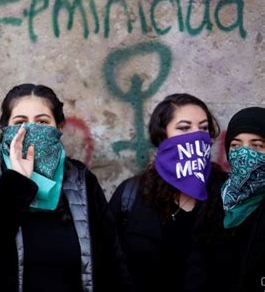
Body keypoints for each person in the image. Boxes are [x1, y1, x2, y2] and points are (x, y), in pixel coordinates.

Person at [0, 83, 133, 292]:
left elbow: (112, 264)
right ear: (5, 129)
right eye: (20, 122)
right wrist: (15, 182)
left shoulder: (81, 181)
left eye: (42, 122)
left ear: (59, 128)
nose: (31, 130)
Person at [109, 93, 227, 292]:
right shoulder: (131, 194)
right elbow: (110, 261)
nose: (196, 135)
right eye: (184, 128)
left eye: (203, 128)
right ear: (163, 135)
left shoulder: (226, 191)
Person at [184, 106, 265, 292]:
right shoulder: (217, 199)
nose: (244, 154)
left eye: (257, 145)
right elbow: (197, 266)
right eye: (236, 145)